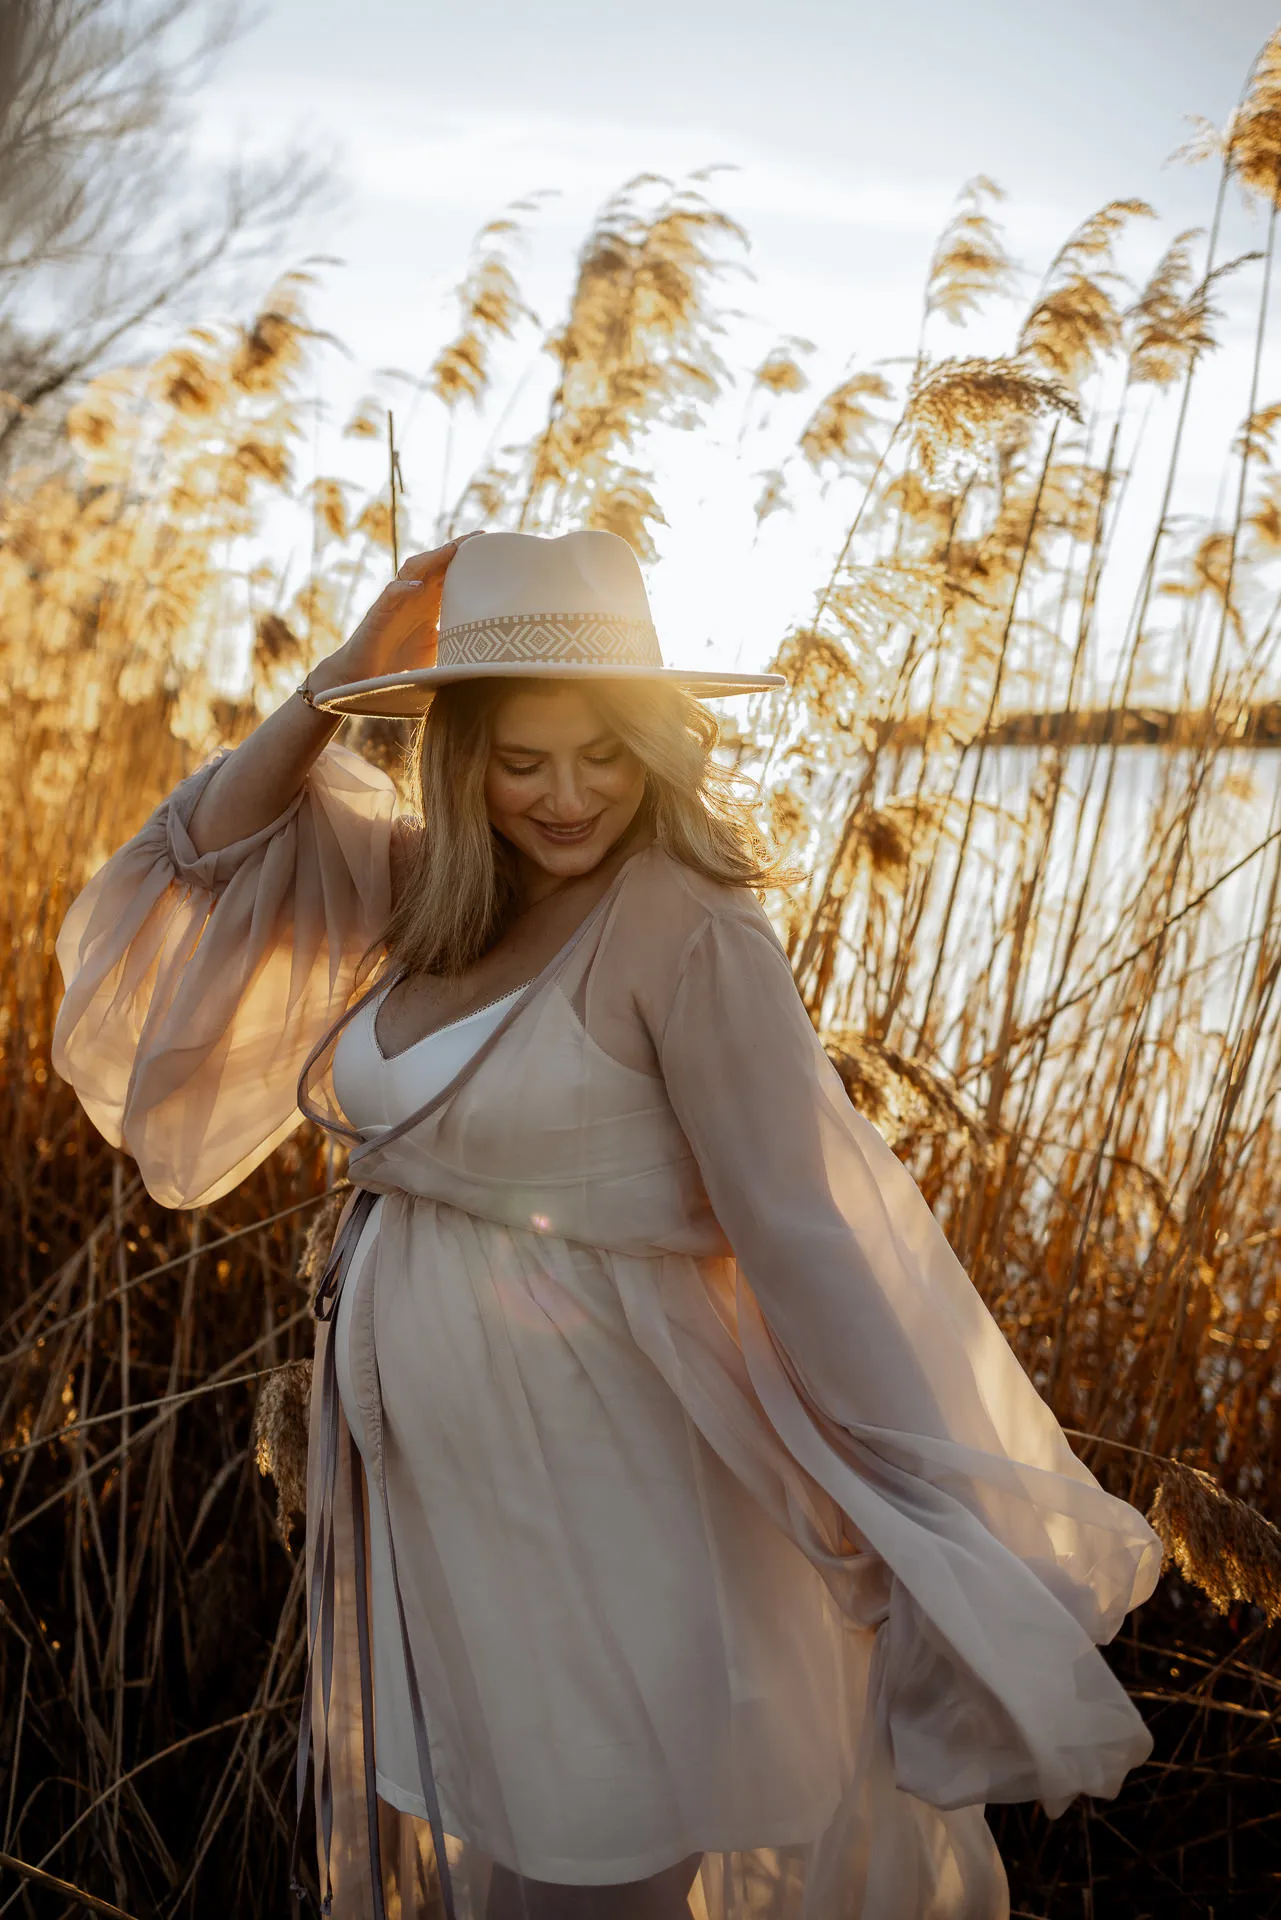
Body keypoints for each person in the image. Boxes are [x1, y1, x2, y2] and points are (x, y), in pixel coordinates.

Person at [52, 529, 1163, 1920]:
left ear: (658, 742)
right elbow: (187, 875)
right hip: (461, 1514)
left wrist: (929, 1513)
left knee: (599, 1868)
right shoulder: (423, 893)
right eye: (522, 759)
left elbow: (799, 1227)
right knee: (512, 1860)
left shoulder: (685, 926)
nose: (569, 795)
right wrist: (342, 680)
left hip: (625, 1497)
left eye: (605, 752)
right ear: (459, 759)